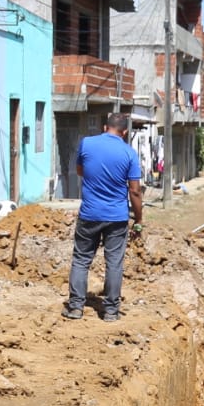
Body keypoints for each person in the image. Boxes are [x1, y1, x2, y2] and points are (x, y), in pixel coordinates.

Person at [63, 112, 143, 323]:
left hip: (89, 214)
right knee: (114, 263)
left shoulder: (87, 143)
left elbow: (80, 170)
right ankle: (110, 311)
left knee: (81, 260)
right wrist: (139, 219)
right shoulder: (129, 153)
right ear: (124, 132)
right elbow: (135, 191)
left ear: (105, 127)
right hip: (117, 217)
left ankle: (75, 308)